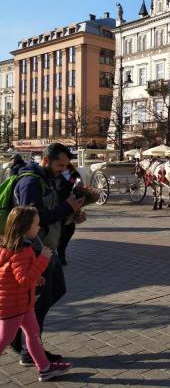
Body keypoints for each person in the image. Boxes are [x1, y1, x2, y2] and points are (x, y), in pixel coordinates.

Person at [10, 143, 84, 366]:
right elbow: (32, 219)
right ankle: (29, 350)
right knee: (38, 303)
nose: (63, 169)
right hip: (33, 252)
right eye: (60, 165)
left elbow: (56, 210)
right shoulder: (29, 182)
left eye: (65, 165)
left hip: (47, 249)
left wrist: (72, 214)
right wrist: (66, 209)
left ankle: (19, 338)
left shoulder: (52, 179)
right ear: (46, 161)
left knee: (57, 290)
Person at [0, 206, 72, 381]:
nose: (39, 227)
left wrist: (37, 277)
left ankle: (45, 368)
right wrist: (43, 259)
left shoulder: (15, 247)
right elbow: (24, 279)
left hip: (23, 304)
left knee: (33, 334)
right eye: (36, 224)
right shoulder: (22, 252)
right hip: (14, 306)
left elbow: (19, 274)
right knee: (3, 341)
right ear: (25, 228)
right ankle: (45, 367)